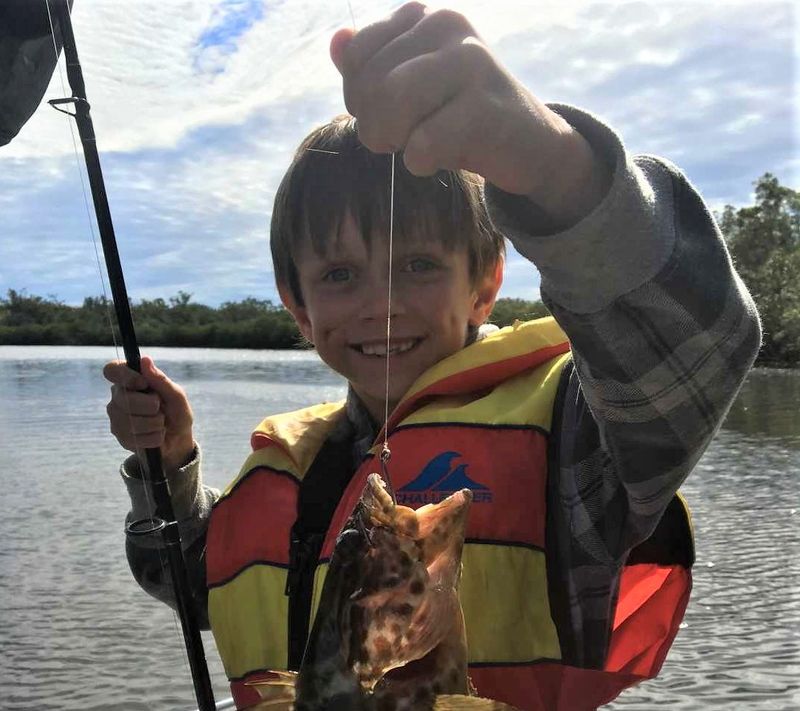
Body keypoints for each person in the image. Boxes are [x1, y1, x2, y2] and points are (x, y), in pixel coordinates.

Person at [104, 4, 761, 710]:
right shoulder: (294, 462)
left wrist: (551, 164)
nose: (380, 303)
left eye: (417, 264)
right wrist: (166, 468)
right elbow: (189, 580)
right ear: (299, 308)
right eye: (339, 275)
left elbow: (695, 345)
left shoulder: (574, 443)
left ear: (485, 284)